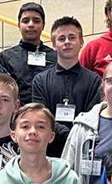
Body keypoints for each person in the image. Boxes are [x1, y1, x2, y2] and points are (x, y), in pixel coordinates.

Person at [31, 16, 102, 158]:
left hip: (81, 151)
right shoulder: (40, 80)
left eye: (72, 37)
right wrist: (69, 135)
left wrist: (75, 137)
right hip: (49, 150)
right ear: (53, 44)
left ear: (81, 42)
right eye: (62, 38)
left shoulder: (94, 80)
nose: (67, 42)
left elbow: (92, 117)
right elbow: (41, 117)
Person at [0, 2, 56, 104]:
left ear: (43, 25)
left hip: (48, 115)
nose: (31, 25)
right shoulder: (6, 57)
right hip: (17, 116)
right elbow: (2, 90)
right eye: (25, 21)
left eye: (36, 21)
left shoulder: (55, 57)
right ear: (19, 25)